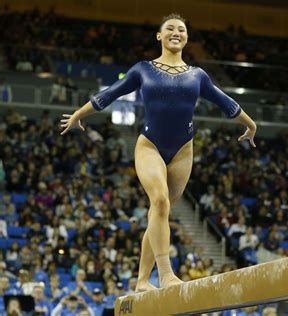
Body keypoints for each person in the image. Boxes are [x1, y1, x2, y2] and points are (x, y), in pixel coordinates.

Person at [60, 13, 256, 292]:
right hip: (149, 145)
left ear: (186, 37)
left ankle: (141, 281)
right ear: (159, 36)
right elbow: (110, 93)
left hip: (183, 150)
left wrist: (251, 124)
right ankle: (165, 275)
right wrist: (78, 115)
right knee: (161, 202)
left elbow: (226, 102)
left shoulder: (198, 75)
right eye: (170, 29)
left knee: (159, 211)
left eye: (181, 29)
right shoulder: (143, 69)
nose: (176, 32)